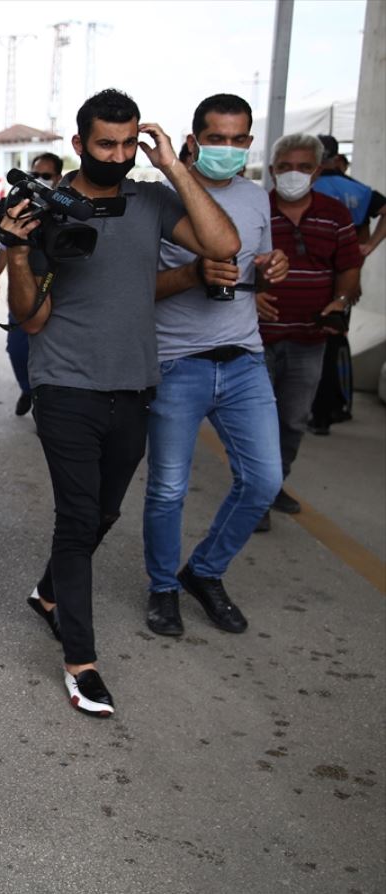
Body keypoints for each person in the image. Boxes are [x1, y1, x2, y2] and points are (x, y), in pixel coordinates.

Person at [1, 89, 239, 717]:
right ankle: (81, 662)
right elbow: (30, 319)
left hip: (134, 385)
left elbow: (221, 246)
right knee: (78, 519)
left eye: (129, 143)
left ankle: (49, 594)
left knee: (105, 512)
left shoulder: (153, 199)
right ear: (79, 144)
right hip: (66, 385)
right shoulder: (48, 208)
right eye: (105, 144)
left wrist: (174, 167)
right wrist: (18, 250)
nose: (118, 154)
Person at [144, 93, 288, 637]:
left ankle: (203, 571)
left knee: (263, 481)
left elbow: (256, 267)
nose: (227, 148)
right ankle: (162, 588)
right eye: (216, 138)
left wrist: (273, 267)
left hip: (245, 360)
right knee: (167, 489)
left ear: (249, 143)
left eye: (237, 139)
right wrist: (192, 274)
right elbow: (135, 292)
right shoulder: (161, 201)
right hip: (178, 363)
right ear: (194, 138)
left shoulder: (256, 199)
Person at [258, 133, 363, 526]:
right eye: (285, 167)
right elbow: (228, 258)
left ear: (318, 171)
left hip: (309, 340)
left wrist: (340, 300)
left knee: (293, 419)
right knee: (258, 421)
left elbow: (349, 267)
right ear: (272, 171)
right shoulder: (257, 209)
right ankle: (255, 497)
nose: (293, 174)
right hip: (259, 339)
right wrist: (249, 297)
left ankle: (272, 484)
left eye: (303, 167)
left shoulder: (335, 215)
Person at [306, 136, 384, 432]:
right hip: (343, 284)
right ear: (337, 157)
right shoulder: (359, 191)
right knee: (332, 342)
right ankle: (329, 412)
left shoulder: (306, 189)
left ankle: (308, 410)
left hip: (306, 282)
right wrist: (368, 249)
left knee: (304, 347)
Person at [0, 152, 63, 416]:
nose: (40, 181)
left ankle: (46, 401)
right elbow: (2, 246)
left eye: (46, 176)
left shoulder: (65, 211)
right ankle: (27, 389)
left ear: (58, 178)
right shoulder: (20, 208)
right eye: (35, 175)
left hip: (55, 293)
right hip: (23, 292)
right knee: (18, 348)